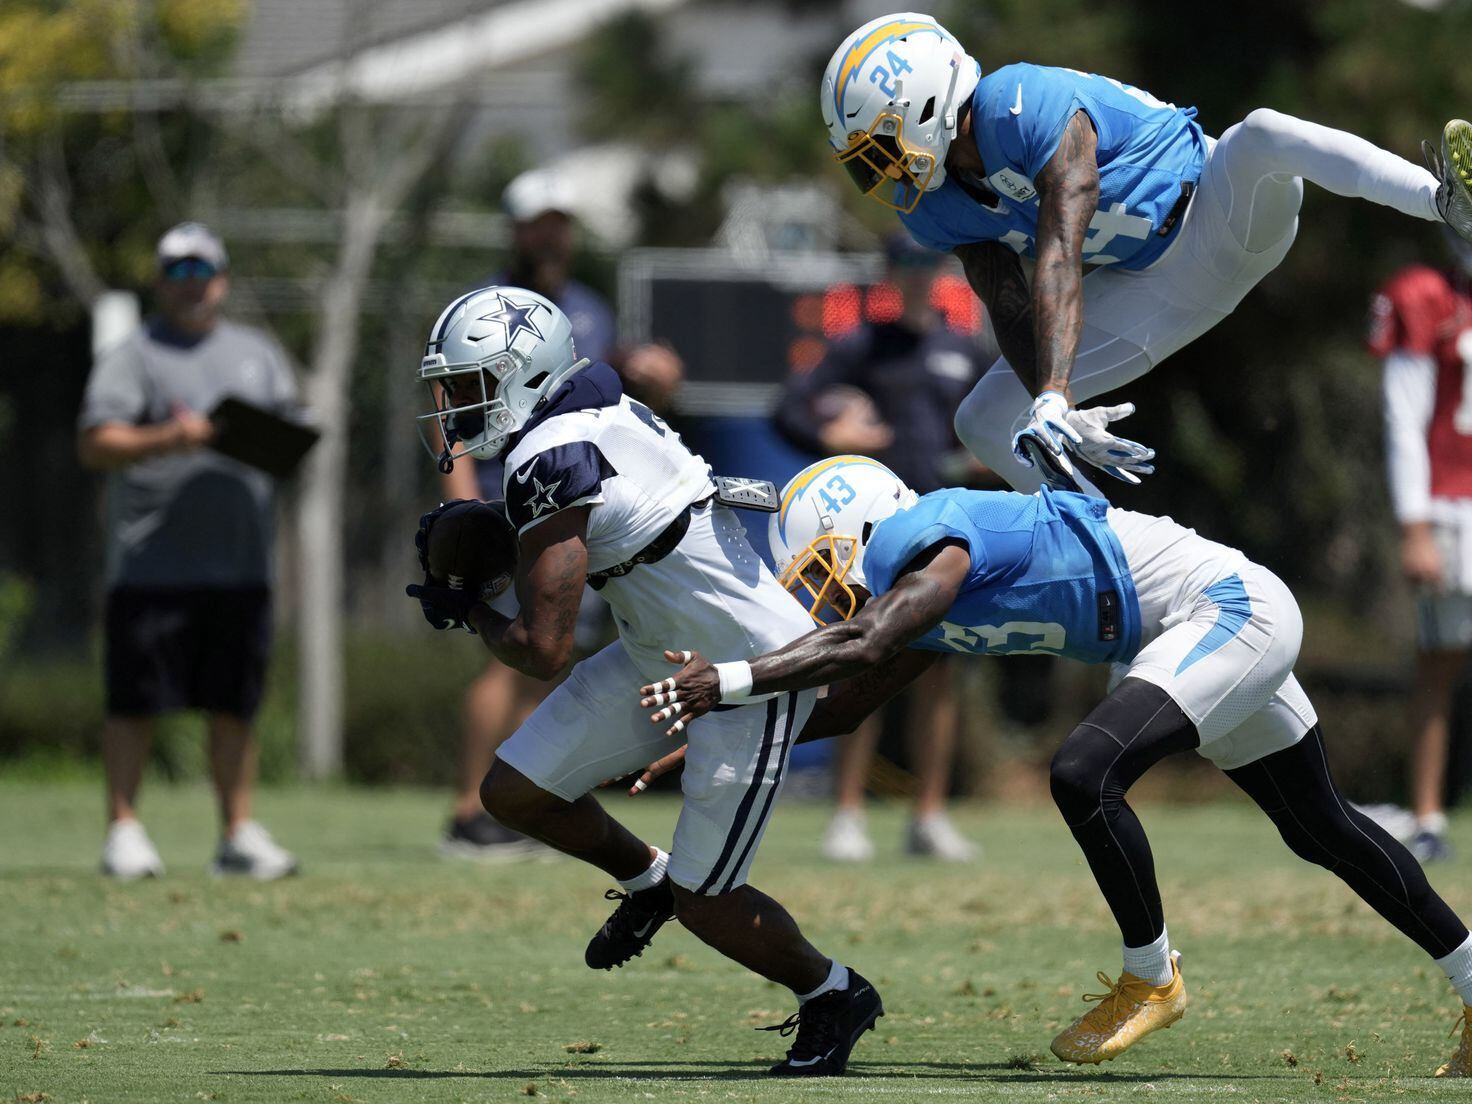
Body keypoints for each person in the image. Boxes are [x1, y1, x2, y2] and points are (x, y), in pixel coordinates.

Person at [636, 457, 1472, 1075]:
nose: (821, 600)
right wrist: (733, 727)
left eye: (822, 570)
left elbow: (866, 639)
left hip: (1225, 609)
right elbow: (851, 699)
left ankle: (1152, 979)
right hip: (1186, 634)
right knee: (1321, 827)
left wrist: (731, 679)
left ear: (865, 532)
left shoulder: (930, 533)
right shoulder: (913, 600)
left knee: (1081, 770)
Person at [408, 286, 881, 1076]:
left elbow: (542, 647)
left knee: (712, 903)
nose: (457, 406)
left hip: (745, 669)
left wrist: (467, 611)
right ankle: (647, 880)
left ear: (525, 373)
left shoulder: (552, 454)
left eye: (471, 384)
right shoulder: (592, 409)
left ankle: (833, 991)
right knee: (516, 792)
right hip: (659, 648)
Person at [820, 12, 1472, 493]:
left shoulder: (1018, 104)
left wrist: (1052, 390)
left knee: (1263, 134)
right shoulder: (933, 207)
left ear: (926, 100)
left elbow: (1060, 243)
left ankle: (1442, 201)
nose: (880, 173)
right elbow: (1007, 300)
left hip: (1221, 211)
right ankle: (1116, 553)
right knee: (984, 422)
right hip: (1157, 287)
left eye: (879, 147)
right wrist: (1057, 410)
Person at [439, 167, 684, 860]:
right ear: (516, 230)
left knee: (550, 650)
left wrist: (653, 382)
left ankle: (518, 798)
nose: (550, 236)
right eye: (537, 223)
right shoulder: (488, 305)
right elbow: (447, 409)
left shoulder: (590, 308)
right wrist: (461, 499)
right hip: (503, 494)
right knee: (506, 658)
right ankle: (467, 809)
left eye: (560, 223)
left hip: (572, 501)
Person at [78, 222, 301, 881]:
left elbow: (291, 429)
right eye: (176, 273)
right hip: (152, 566)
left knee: (234, 704)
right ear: (159, 282)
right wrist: (172, 439)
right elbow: (95, 443)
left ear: (222, 279)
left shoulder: (257, 353)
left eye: (201, 272)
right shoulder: (133, 354)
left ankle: (236, 834)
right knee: (134, 703)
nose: (190, 285)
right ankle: (124, 830)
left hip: (241, 564)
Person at [775, 233, 990, 862]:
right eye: (907, 263)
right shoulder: (861, 346)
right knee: (858, 664)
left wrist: (987, 458)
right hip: (873, 531)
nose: (919, 274)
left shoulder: (962, 350)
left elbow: (1001, 420)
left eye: (928, 262)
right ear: (889, 273)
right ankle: (847, 814)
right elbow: (787, 409)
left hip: (949, 526)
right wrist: (830, 432)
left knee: (938, 671)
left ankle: (929, 815)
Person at [1369, 228, 1472, 862]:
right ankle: (1430, 814)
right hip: (1450, 504)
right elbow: (1402, 416)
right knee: (1442, 659)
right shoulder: (1424, 295)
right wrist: (1414, 528)